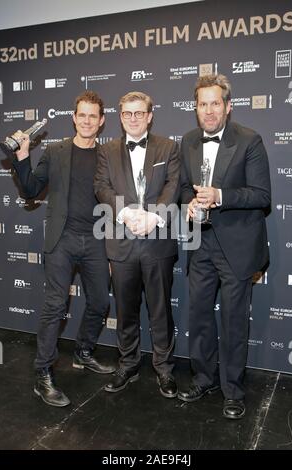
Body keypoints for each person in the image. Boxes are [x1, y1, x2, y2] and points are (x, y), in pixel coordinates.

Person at [11, 90, 115, 408]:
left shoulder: (109, 156)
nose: (86, 121)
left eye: (92, 116)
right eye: (81, 114)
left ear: (101, 121)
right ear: (74, 117)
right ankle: (43, 374)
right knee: (55, 306)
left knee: (99, 302)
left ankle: (83, 352)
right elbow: (30, 190)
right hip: (62, 240)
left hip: (97, 239)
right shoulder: (55, 151)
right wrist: (23, 156)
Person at [179, 74, 271, 419]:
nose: (209, 110)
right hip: (200, 244)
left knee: (233, 322)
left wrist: (221, 196)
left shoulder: (250, 140)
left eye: (215, 103)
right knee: (200, 317)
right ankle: (204, 378)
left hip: (237, 247)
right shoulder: (188, 141)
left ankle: (233, 390)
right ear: (196, 108)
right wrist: (188, 202)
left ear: (228, 106)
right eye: (202, 104)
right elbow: (185, 189)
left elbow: (262, 196)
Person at [94, 91, 180, 398]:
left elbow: (174, 185)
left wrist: (154, 217)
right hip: (121, 242)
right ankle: (127, 364)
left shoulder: (168, 147)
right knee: (125, 310)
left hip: (157, 241)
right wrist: (127, 213)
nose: (133, 118)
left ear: (150, 115)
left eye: (139, 113)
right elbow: (101, 186)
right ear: (120, 116)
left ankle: (165, 369)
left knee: (160, 311)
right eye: (127, 113)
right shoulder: (106, 151)